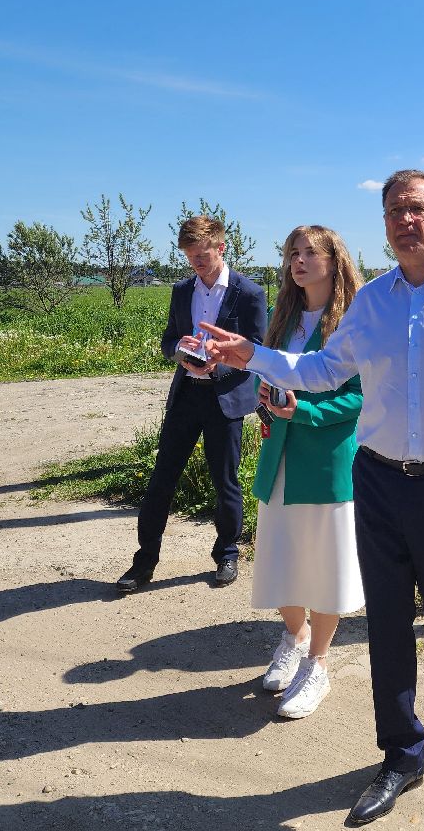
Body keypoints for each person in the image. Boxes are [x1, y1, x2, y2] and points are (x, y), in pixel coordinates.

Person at [197, 170, 424, 827]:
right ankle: (400, 751)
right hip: (378, 477)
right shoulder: (374, 302)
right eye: (392, 211)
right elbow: (324, 371)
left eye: (416, 208)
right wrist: (253, 356)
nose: (404, 220)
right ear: (383, 225)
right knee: (385, 619)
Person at [117, 215, 267, 592]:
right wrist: (179, 352)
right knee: (160, 482)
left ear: (221, 247)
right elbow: (168, 340)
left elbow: (259, 351)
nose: (196, 263)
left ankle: (227, 554)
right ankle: (143, 562)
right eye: (190, 256)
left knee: (225, 482)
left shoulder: (248, 293)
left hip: (225, 400)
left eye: (202, 255)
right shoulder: (182, 290)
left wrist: (221, 363)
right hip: (186, 397)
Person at [251, 226, 364, 720]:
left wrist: (304, 413)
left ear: (334, 260)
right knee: (279, 556)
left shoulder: (353, 322)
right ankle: (293, 637)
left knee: (324, 564)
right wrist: (266, 401)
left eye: (309, 252)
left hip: (325, 457)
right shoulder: (287, 318)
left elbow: (361, 395)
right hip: (278, 454)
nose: (299, 261)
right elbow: (271, 374)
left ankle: (317, 665)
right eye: (292, 253)